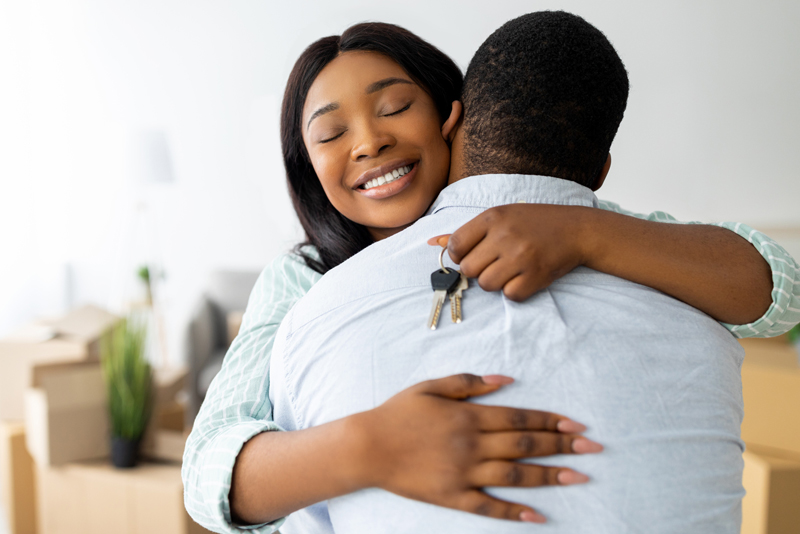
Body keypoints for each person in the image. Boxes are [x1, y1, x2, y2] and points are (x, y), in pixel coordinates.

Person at [183, 17, 800, 534]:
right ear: (308, 168)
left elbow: (778, 294)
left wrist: (585, 234)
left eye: (395, 107)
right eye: (331, 133)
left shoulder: (577, 222)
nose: (368, 142)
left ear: (457, 121)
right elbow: (208, 469)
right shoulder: (303, 283)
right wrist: (372, 446)